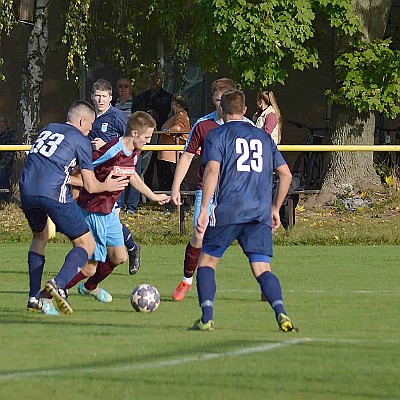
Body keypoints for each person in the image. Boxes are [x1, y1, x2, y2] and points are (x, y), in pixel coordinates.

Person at [190, 89, 298, 332]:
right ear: (245, 110)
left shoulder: (217, 135)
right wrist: (274, 208)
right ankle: (281, 313)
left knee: (206, 263)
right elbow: (286, 174)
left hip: (228, 209)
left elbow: (212, 171)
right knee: (261, 268)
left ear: (222, 110)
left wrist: (204, 208)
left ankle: (207, 318)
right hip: (258, 212)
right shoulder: (263, 138)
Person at [19, 101, 128, 315]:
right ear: (81, 121)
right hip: (52, 192)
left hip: (27, 189)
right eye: (90, 124)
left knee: (39, 238)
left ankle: (34, 298)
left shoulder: (48, 128)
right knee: (86, 244)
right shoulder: (80, 139)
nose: (91, 130)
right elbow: (91, 185)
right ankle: (58, 284)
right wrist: (108, 185)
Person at [65, 111, 170, 303]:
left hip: (109, 210)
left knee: (119, 257)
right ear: (135, 133)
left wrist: (152, 196)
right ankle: (55, 290)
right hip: (93, 209)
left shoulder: (136, 150)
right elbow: (81, 169)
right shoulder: (111, 150)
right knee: (90, 266)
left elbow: (131, 175)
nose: (148, 141)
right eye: (147, 137)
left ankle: (89, 287)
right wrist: (74, 188)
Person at [171, 78, 253, 301]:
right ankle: (186, 280)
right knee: (198, 234)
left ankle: (265, 283)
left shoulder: (247, 126)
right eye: (217, 101)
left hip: (238, 192)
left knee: (251, 236)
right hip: (207, 190)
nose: (220, 106)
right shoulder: (203, 125)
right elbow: (188, 155)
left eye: (224, 101)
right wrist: (175, 186)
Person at [90, 78, 141, 275]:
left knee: (110, 219)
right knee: (100, 220)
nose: (101, 100)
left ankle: (127, 250)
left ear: (111, 98)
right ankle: (128, 249)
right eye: (98, 96)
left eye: (104, 96)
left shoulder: (117, 117)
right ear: (93, 97)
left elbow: (130, 141)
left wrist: (107, 146)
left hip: (114, 176)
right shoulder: (90, 117)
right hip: (94, 177)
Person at [134, 72, 173, 190]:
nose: (155, 82)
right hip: (146, 133)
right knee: (147, 164)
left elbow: (170, 113)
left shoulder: (168, 97)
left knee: (163, 164)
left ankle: (164, 190)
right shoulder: (143, 96)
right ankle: (146, 190)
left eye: (158, 79)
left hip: (162, 133)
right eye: (153, 79)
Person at [157, 94, 190, 213]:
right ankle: (181, 203)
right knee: (176, 177)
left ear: (174, 104)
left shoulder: (180, 115)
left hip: (174, 151)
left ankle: (182, 204)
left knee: (175, 178)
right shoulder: (178, 115)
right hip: (172, 151)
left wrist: (168, 131)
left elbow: (179, 128)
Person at [113, 77, 142, 215]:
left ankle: (132, 207)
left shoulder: (137, 103)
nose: (123, 89)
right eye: (120, 86)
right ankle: (119, 203)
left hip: (134, 143)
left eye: (126, 86)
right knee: (119, 173)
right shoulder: (113, 104)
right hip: (118, 144)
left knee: (134, 173)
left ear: (131, 89)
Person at [0, 114, 16, 198]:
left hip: (7, 167)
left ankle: (4, 200)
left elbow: (8, 156)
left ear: (6, 124)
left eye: (2, 122)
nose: (0, 124)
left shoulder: (10, 136)